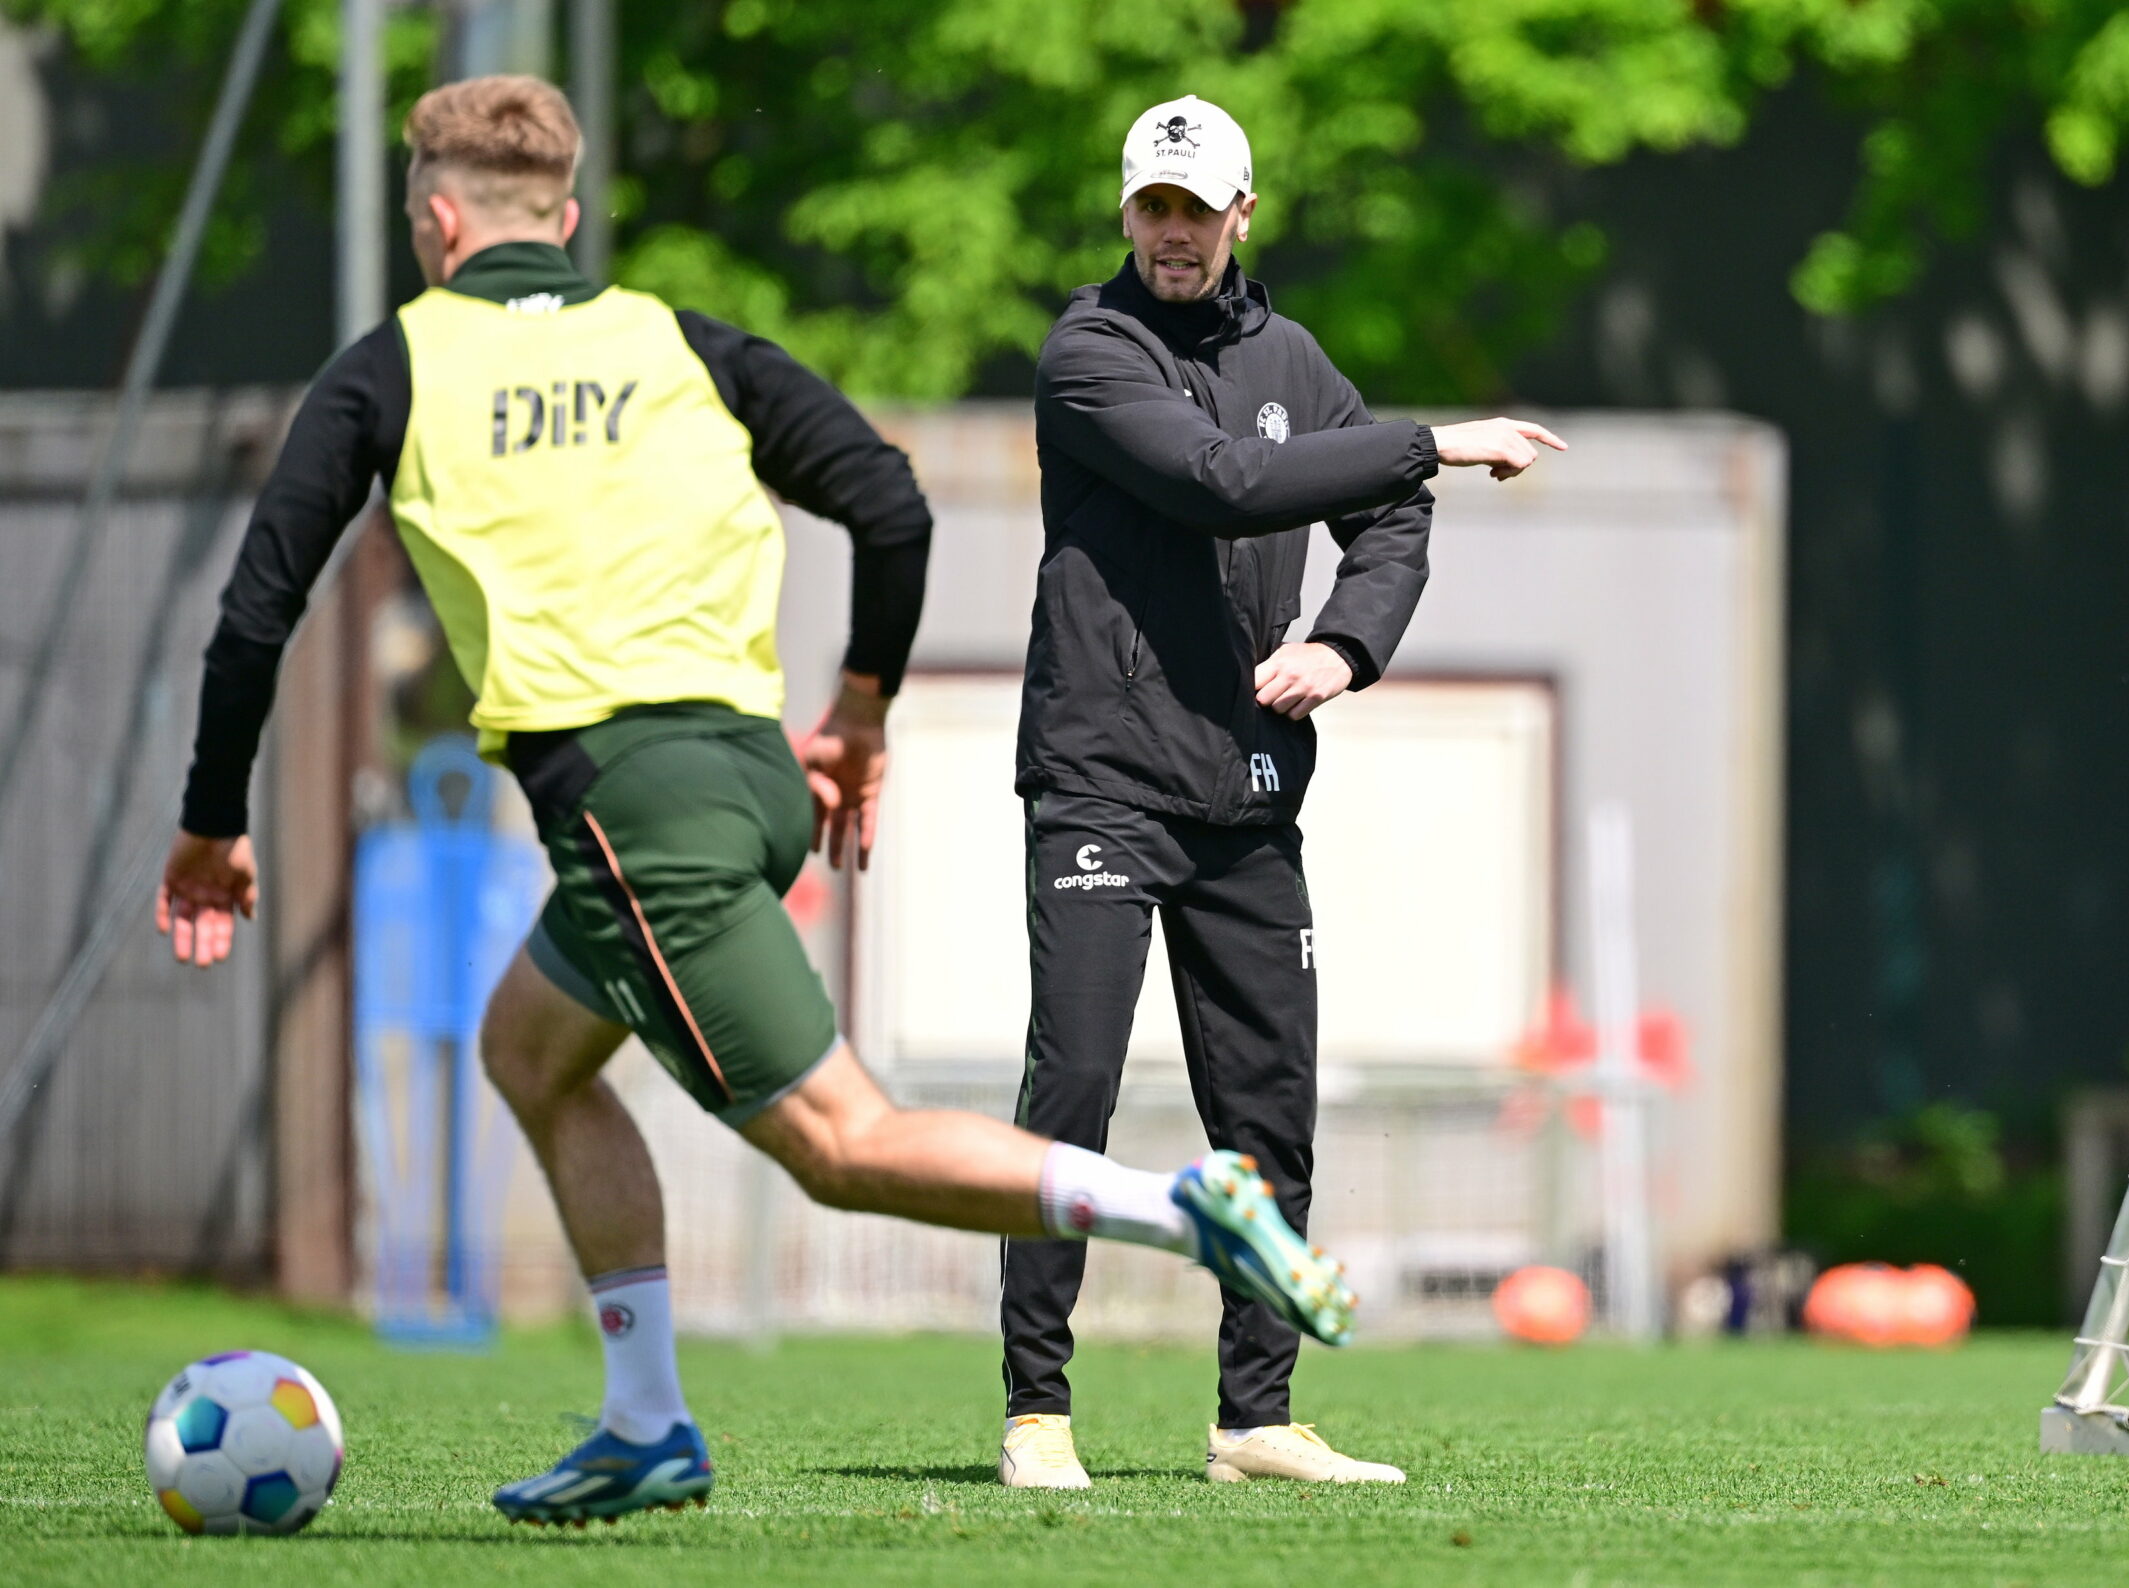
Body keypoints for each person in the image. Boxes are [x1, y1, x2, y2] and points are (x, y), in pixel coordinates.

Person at [154, 75, 1351, 1528]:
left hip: (630, 811)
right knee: (530, 1052)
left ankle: (1185, 1210)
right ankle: (646, 1418)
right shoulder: (675, 340)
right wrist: (855, 713)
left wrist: (213, 825)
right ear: (571, 218)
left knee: (844, 1148)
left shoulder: (393, 368)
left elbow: (255, 616)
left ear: (437, 219)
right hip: (751, 771)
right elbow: (891, 503)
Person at [997, 94, 1563, 1489]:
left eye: (1198, 210)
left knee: (1270, 1107)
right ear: (1126, 214)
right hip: (1103, 786)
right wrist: (1434, 433)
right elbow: (1220, 481)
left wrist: (1344, 644)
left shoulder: (1291, 359)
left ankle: (1254, 1419)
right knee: (1070, 1084)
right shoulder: (1090, 350)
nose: (1174, 234)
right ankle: (1036, 1414)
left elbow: (1382, 518)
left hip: (1244, 793)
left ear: (1243, 213)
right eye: (1153, 209)